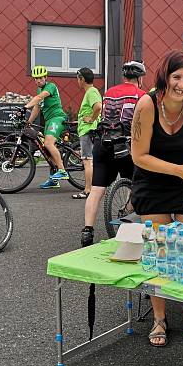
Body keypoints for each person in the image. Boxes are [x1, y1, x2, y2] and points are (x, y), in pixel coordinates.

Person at [130, 50, 183, 347]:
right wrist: (177, 170)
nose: (181, 84)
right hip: (153, 184)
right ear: (165, 77)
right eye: (176, 77)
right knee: (159, 252)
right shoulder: (147, 105)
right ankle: (159, 318)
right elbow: (138, 156)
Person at [80, 61, 147, 246]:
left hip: (103, 144)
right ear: (140, 78)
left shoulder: (108, 92)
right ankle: (126, 216)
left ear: (124, 77)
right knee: (136, 183)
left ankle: (87, 231)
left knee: (96, 190)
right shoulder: (142, 96)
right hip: (126, 145)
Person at [24, 66, 68, 189]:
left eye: (40, 78)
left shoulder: (51, 86)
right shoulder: (39, 90)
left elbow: (39, 98)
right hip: (48, 121)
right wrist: (29, 122)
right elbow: (37, 107)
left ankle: (62, 171)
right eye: (36, 79)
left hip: (57, 118)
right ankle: (53, 180)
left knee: (48, 143)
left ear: (45, 77)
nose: (38, 81)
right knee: (47, 150)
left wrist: (25, 106)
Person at [73, 67, 101, 199]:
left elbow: (98, 107)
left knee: (87, 160)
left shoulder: (91, 92)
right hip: (88, 130)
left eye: (78, 79)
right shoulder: (91, 92)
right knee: (90, 160)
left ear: (82, 79)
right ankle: (93, 189)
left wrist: (91, 119)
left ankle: (88, 190)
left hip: (87, 131)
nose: (77, 82)